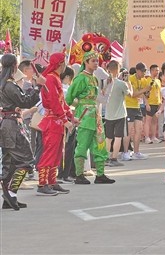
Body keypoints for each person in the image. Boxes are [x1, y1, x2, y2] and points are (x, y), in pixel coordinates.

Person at [0, 54, 44, 210]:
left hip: (6, 124)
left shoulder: (3, 84)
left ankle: (9, 197)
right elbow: (26, 101)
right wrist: (38, 86)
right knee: (26, 161)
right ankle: (10, 192)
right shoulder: (9, 85)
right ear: (14, 65)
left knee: (9, 164)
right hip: (13, 126)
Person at [66, 51, 115, 184]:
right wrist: (76, 108)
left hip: (96, 115)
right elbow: (69, 98)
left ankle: (100, 174)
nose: (95, 63)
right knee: (82, 144)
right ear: (85, 62)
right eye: (92, 61)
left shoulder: (94, 78)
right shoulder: (80, 78)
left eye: (96, 61)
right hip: (84, 115)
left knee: (100, 144)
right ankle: (79, 174)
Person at [36, 53, 76, 196]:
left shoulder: (55, 78)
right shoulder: (51, 79)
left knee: (57, 154)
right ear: (60, 64)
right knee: (50, 153)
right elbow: (53, 101)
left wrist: (71, 117)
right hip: (52, 121)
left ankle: (52, 182)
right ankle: (42, 184)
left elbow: (61, 102)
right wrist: (65, 119)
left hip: (57, 122)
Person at [104, 60, 132, 167]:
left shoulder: (105, 82)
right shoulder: (121, 84)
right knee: (118, 137)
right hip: (120, 114)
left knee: (108, 138)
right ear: (118, 69)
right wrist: (129, 83)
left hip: (108, 114)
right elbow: (130, 94)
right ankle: (114, 158)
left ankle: (106, 157)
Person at [124, 62, 150, 160]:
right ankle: (125, 152)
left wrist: (147, 92)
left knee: (139, 130)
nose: (144, 73)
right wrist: (144, 90)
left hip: (137, 106)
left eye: (145, 71)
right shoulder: (130, 79)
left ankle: (136, 152)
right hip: (129, 106)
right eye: (143, 71)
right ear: (138, 71)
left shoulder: (144, 80)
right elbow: (133, 94)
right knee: (129, 130)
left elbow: (144, 94)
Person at [144, 64, 162, 144]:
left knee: (155, 121)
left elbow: (160, 93)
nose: (157, 72)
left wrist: (160, 103)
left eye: (158, 70)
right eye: (155, 70)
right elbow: (145, 93)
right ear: (151, 71)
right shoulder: (147, 80)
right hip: (150, 103)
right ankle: (147, 137)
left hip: (157, 103)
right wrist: (147, 104)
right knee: (148, 121)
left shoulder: (158, 81)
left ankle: (154, 137)